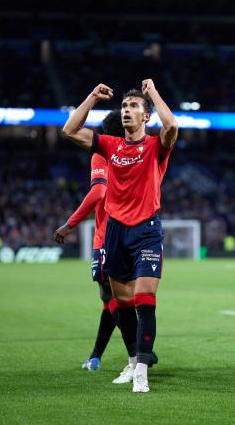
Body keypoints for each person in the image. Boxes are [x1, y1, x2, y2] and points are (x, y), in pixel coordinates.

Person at [62, 80, 178, 393]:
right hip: (114, 231)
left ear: (146, 116)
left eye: (133, 107)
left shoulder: (156, 146)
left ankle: (141, 370)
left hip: (146, 231)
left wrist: (152, 93)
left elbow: (172, 125)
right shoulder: (110, 146)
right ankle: (131, 359)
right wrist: (91, 98)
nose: (127, 110)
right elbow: (70, 131)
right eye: (125, 106)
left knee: (144, 299)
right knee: (122, 302)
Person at [53, 110, 120, 371]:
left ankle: (139, 349)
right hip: (133, 233)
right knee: (115, 299)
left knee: (109, 296)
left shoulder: (102, 153)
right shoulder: (135, 155)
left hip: (107, 236)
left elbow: (98, 192)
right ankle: (96, 356)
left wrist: (70, 224)